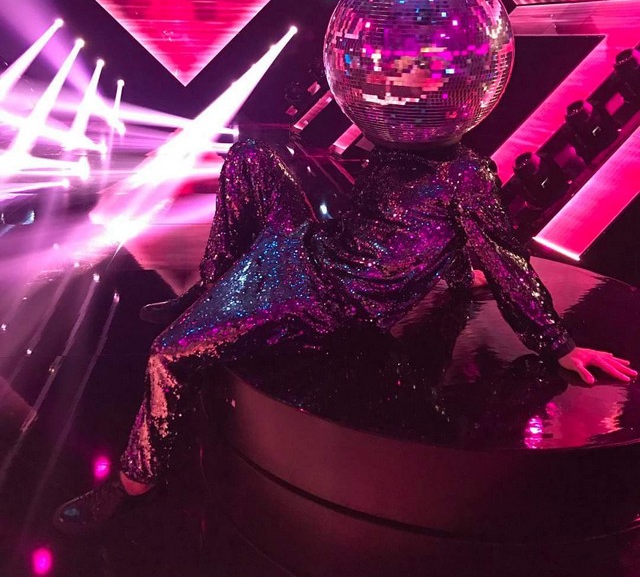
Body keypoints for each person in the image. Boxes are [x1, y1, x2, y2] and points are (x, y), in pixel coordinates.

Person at [53, 136, 636, 534]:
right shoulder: (398, 146)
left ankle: (135, 480)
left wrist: (559, 345)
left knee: (168, 353)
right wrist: (458, 271)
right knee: (251, 154)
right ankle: (210, 290)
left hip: (325, 296)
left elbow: (506, 259)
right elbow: (417, 226)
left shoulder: (466, 174)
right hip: (310, 247)